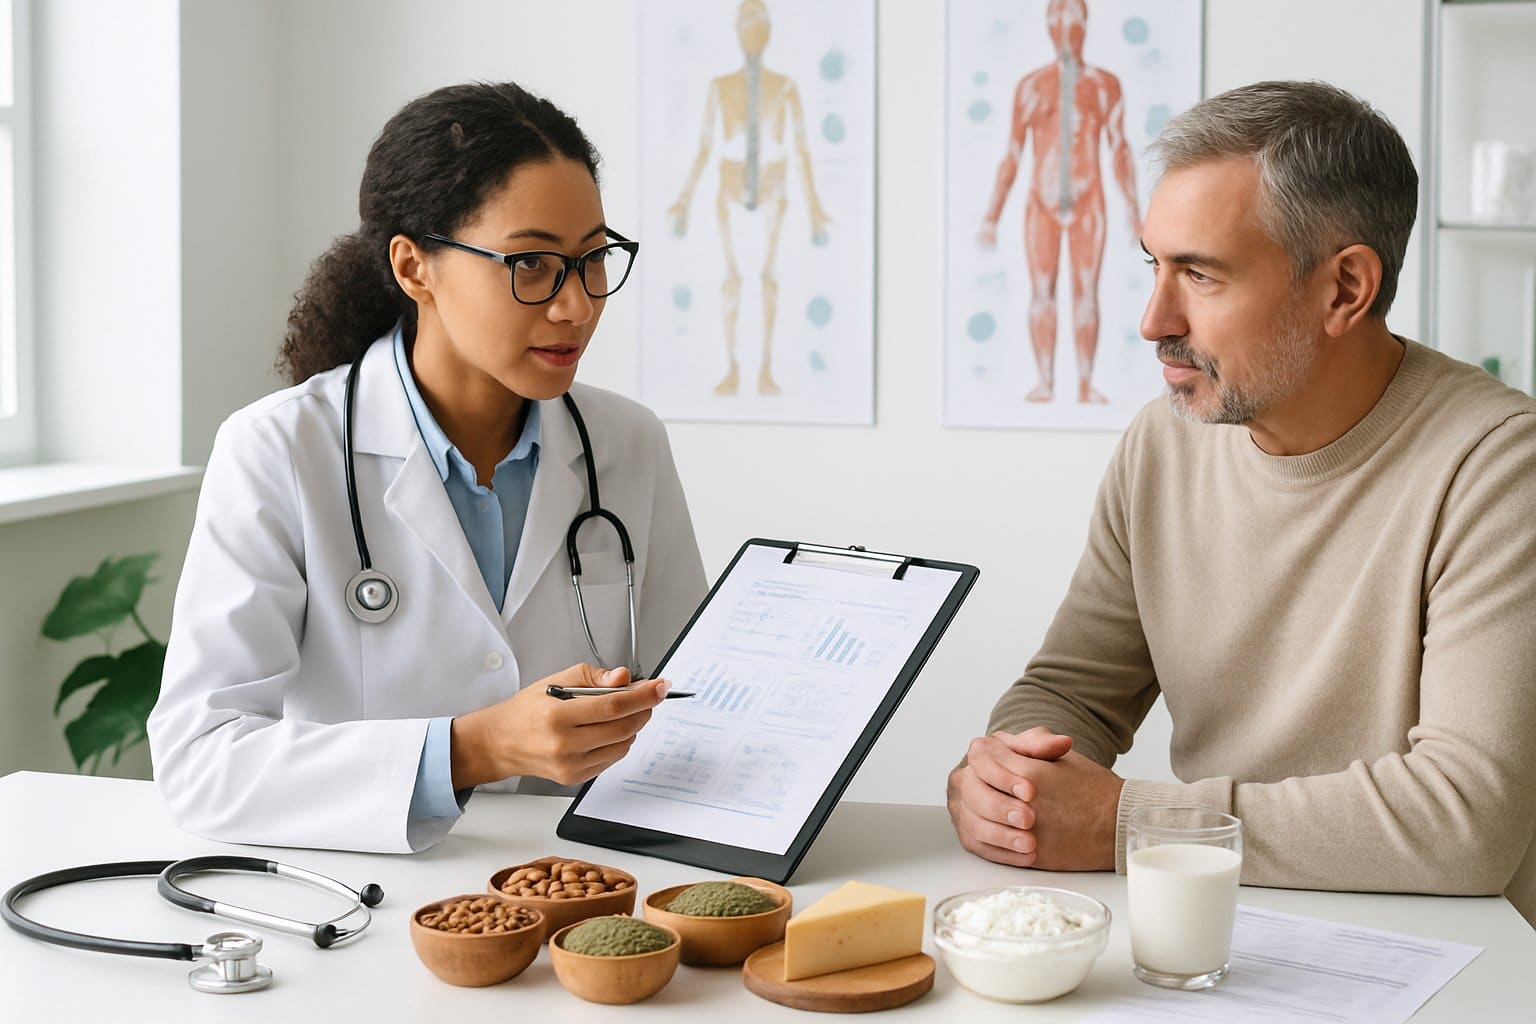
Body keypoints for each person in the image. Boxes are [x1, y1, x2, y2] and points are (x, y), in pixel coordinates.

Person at [948, 80, 1536, 926]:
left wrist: (1130, 823)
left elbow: (1466, 819)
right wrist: (1008, 779)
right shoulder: (1164, 442)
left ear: (1345, 290)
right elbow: (1072, 694)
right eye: (1154, 264)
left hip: (1449, 954)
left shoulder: (1498, 464)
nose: (1153, 319)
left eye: (1200, 274)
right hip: (1220, 923)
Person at [148, 82, 708, 854]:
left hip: (590, 894)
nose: (576, 305)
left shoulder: (627, 443)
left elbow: (698, 705)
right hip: (365, 905)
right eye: (533, 264)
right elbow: (201, 762)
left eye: (592, 260)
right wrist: (474, 748)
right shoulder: (279, 450)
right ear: (415, 268)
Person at [666, 0, 832, 397]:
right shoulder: (720, 87)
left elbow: (802, 147)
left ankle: (767, 371)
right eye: (747, 23)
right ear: (737, 30)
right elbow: (705, 146)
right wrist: (684, 199)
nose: (754, 31)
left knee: (769, 279)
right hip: (729, 185)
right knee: (733, 280)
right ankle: (732, 369)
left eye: (760, 23)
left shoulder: (785, 86)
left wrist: (815, 211)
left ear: (769, 31)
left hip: (774, 186)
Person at [978, 0, 1140, 405]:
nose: (1067, 31)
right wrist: (991, 216)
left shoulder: (1106, 85)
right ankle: (1046, 381)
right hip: (1041, 204)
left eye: (1074, 22)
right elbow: (1012, 154)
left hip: (1090, 201)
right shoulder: (1031, 86)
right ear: (1048, 26)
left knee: (1086, 291)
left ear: (1086, 24)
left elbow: (1120, 149)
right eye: (1058, 22)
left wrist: (1135, 214)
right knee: (1042, 291)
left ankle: (1085, 384)